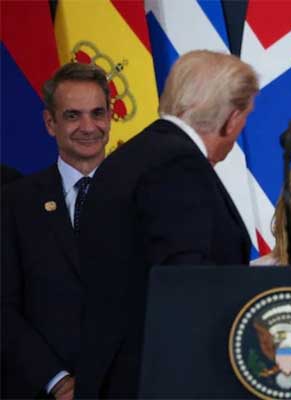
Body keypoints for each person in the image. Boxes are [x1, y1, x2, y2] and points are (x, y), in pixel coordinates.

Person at [74, 50, 257, 397]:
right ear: (231, 119)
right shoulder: (177, 164)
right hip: (163, 379)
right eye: (246, 117)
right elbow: (186, 283)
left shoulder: (129, 157)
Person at [1, 62, 111, 399]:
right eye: (73, 115)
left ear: (110, 117)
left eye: (97, 113)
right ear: (50, 123)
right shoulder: (13, 201)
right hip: (43, 389)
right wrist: (57, 381)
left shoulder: (144, 196)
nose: (88, 127)